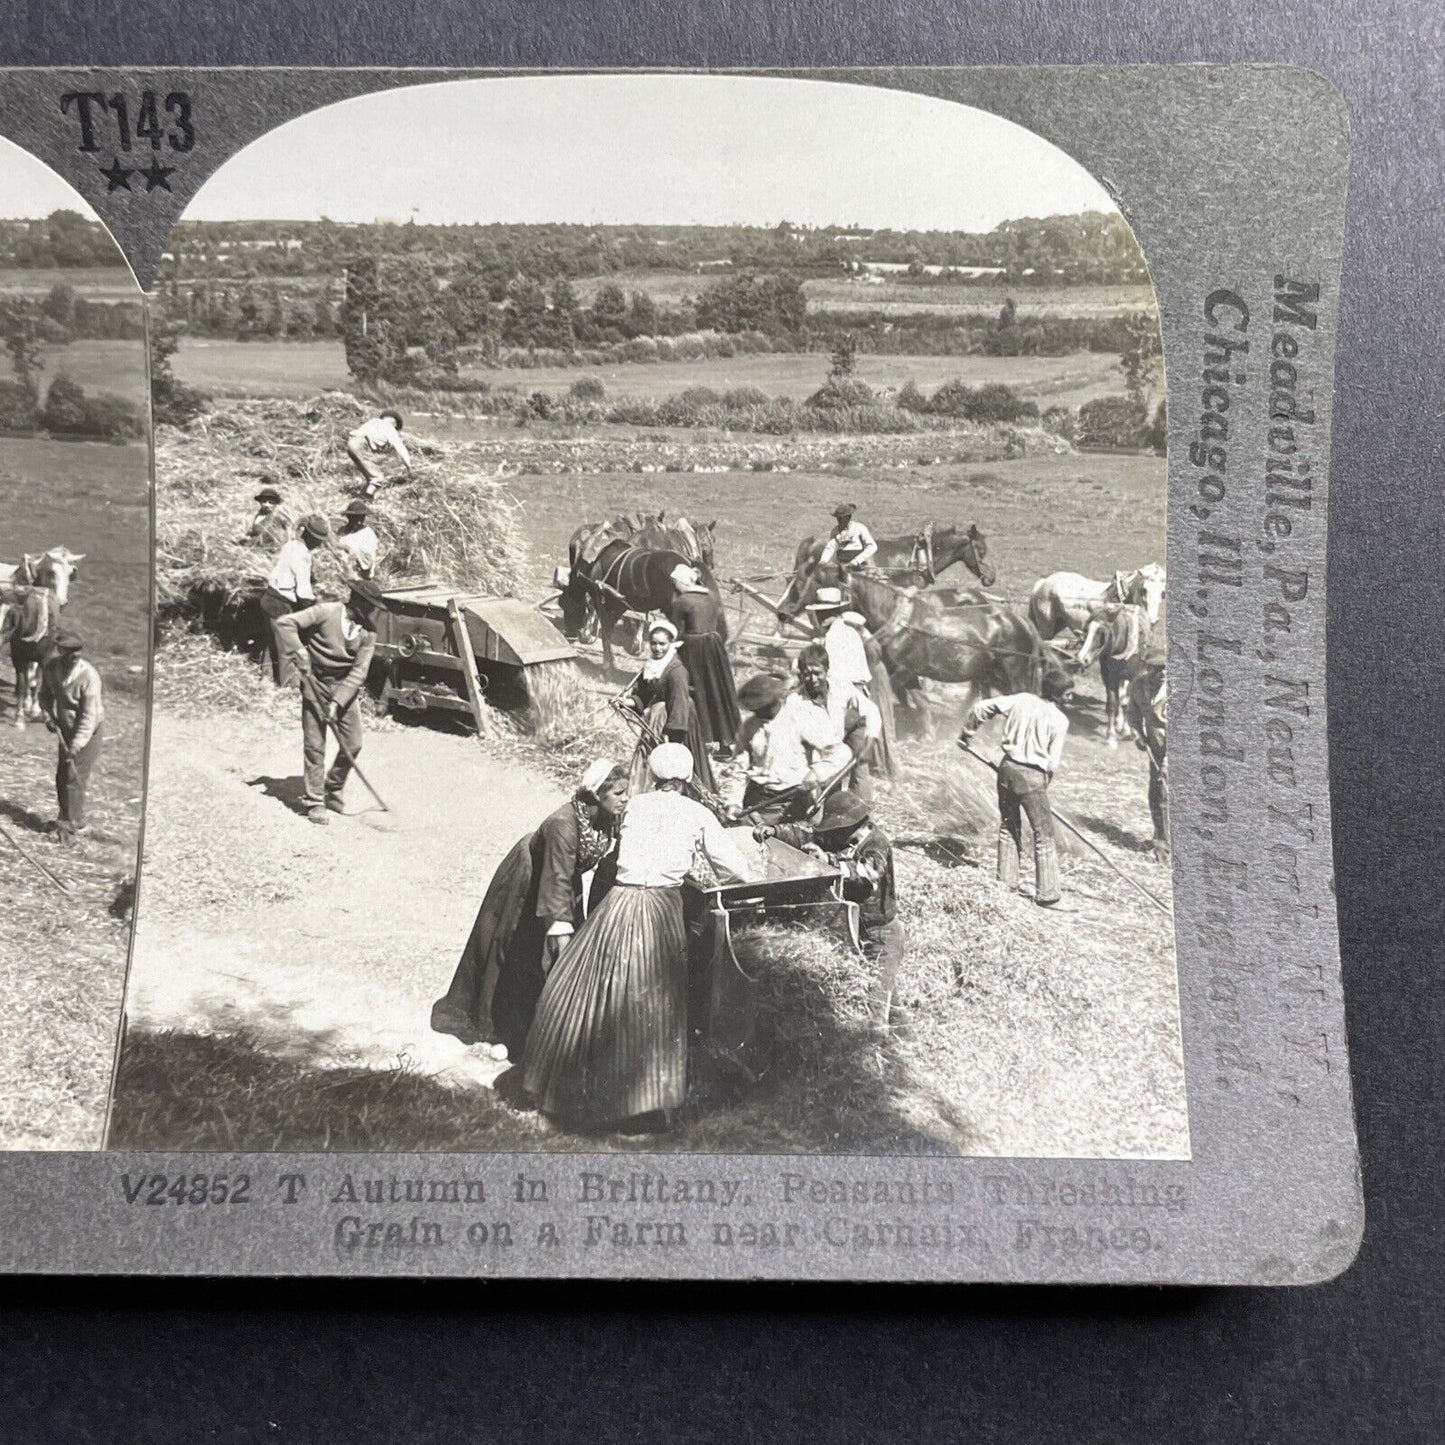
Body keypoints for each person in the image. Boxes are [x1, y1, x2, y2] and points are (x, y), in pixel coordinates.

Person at [523, 742, 759, 1130]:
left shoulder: (634, 805)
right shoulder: (696, 812)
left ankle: (562, 1086)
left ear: (652, 776)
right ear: (685, 780)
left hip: (619, 902)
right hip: (660, 909)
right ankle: (639, 1109)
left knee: (589, 988)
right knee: (652, 1002)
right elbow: (734, 871)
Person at [431, 760, 630, 1063]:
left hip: (561, 878)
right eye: (618, 793)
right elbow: (556, 881)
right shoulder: (562, 825)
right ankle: (497, 1026)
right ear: (596, 794)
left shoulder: (607, 817)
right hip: (530, 877)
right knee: (514, 949)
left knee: (551, 953)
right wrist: (562, 937)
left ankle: (545, 1025)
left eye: (626, 792)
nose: (625, 798)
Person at [757, 790, 905, 1027]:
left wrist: (828, 861)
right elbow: (805, 832)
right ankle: (902, 1033)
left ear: (852, 825)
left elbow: (865, 873)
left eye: (837, 829)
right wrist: (775, 831)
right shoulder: (843, 838)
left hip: (880, 933)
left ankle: (886, 1043)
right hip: (853, 928)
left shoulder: (877, 844)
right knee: (882, 992)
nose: (831, 835)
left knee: (877, 1002)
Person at [272, 579, 382, 826]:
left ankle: (332, 789)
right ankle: (314, 801)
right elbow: (285, 623)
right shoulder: (326, 611)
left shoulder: (369, 632)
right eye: (368, 605)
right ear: (356, 600)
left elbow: (359, 672)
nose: (371, 611)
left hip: (343, 687)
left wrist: (337, 702)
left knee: (353, 743)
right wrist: (299, 651)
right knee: (315, 745)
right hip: (314, 681)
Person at [958, 674, 1072, 906]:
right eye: (1069, 693)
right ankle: (1048, 892)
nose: (1072, 698)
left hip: (1007, 770)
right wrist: (1043, 785)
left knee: (1009, 825)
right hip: (1033, 776)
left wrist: (967, 734)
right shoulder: (1060, 720)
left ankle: (1006, 883)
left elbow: (981, 707)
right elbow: (1052, 763)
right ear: (1058, 695)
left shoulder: (1022, 700)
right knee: (1043, 833)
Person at [733, 671, 853, 824]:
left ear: (775, 701)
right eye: (754, 709)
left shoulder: (799, 719)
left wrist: (816, 773)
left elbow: (841, 753)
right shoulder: (749, 726)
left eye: (763, 707)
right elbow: (738, 767)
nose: (758, 712)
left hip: (792, 802)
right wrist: (733, 802)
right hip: (757, 801)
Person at [622, 617, 714, 793]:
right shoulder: (652, 666)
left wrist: (672, 737)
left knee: (673, 764)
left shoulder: (676, 671)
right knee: (651, 757)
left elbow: (680, 704)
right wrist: (627, 702)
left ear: (671, 644)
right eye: (654, 643)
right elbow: (643, 694)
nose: (657, 648)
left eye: (662, 644)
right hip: (657, 719)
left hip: (675, 722)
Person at [666, 562, 739, 755]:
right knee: (717, 690)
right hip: (714, 647)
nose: (674, 587)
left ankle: (703, 738)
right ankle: (725, 741)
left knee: (696, 691)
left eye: (675, 583)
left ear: (681, 582)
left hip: (693, 648)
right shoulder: (712, 597)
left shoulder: (681, 602)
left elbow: (676, 631)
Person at [37, 628, 102, 843]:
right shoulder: (51, 667)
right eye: (70, 650)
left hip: (88, 732)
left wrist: (76, 745)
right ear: (60, 650)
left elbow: (88, 717)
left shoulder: (88, 676)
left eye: (79, 650)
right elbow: (44, 696)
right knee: (62, 775)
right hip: (65, 728)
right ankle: (67, 817)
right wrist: (48, 717)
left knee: (75, 777)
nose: (75, 655)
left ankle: (73, 825)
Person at [795, 642, 880, 801]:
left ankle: (862, 814)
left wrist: (869, 742)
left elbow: (871, 710)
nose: (813, 679)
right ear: (801, 674)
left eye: (817, 673)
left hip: (852, 725)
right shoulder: (797, 703)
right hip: (825, 741)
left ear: (826, 670)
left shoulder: (840, 686)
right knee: (827, 776)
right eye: (807, 674)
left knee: (860, 768)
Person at [260, 512, 331, 686]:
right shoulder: (303, 556)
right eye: (318, 540)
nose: (319, 544)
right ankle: (289, 688)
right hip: (281, 604)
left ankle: (266, 679)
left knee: (272, 643)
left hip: (268, 598)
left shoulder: (290, 545)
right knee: (289, 649)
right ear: (312, 538)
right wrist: (318, 605)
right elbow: (303, 593)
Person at [1124, 638, 1169, 864]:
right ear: (1147, 668)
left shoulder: (1176, 691)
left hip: (1176, 752)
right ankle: (1160, 840)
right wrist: (1137, 734)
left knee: (1167, 796)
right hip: (1155, 749)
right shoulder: (1138, 685)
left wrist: (1168, 763)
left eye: (1165, 669)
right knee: (1155, 795)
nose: (1161, 674)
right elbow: (1132, 715)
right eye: (1156, 668)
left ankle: (1167, 847)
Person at [810, 588, 872, 691]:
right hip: (857, 691)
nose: (819, 617)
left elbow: (833, 675)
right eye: (818, 612)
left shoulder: (834, 636)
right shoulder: (849, 631)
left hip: (845, 692)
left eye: (823, 613)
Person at [346, 408, 412, 498]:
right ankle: (367, 497)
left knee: (369, 472)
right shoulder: (390, 428)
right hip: (361, 445)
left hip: (351, 443)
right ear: (395, 423)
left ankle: (365, 491)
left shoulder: (373, 422)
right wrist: (409, 467)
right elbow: (401, 449)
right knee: (378, 478)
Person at [818, 502, 878, 572]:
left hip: (858, 567)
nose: (839, 521)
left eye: (841, 518)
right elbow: (830, 547)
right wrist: (823, 562)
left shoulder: (859, 528)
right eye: (838, 518)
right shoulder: (835, 531)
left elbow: (872, 546)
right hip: (842, 568)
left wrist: (856, 560)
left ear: (848, 517)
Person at [238, 480, 290, 549]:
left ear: (276, 504)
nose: (267, 505)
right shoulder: (258, 515)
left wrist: (249, 542)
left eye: (271, 502)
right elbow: (254, 532)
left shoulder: (277, 517)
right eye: (264, 501)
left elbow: (273, 538)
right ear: (260, 502)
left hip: (270, 549)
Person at [337, 498, 379, 580]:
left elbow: (367, 560)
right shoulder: (342, 531)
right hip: (344, 574)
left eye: (361, 518)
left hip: (361, 577)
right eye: (355, 518)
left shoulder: (367, 533)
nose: (359, 521)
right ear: (349, 517)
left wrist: (350, 552)